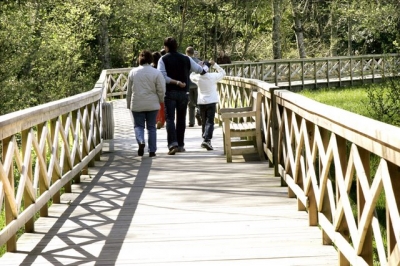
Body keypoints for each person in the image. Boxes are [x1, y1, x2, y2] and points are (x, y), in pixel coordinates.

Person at [157, 37, 204, 155]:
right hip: (184, 93)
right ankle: (181, 145)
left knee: (170, 119)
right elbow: (199, 70)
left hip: (170, 92)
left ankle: (173, 144)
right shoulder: (186, 58)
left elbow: (162, 76)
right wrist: (204, 66)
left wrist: (175, 82)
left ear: (166, 47)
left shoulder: (163, 59)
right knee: (181, 119)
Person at [126, 50, 166, 157]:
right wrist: (161, 100)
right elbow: (161, 89)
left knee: (138, 126)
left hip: (137, 103)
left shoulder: (133, 72)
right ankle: (152, 151)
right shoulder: (156, 72)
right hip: (152, 104)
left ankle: (141, 141)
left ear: (140, 59)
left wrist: (128, 103)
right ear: (150, 60)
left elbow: (129, 90)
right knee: (151, 127)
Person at [190, 59, 226, 150]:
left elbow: (191, 76)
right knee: (210, 121)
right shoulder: (213, 76)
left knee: (204, 121)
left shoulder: (198, 77)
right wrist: (215, 65)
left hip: (202, 102)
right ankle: (207, 140)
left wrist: (197, 67)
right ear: (208, 69)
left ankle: (205, 138)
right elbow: (223, 73)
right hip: (211, 101)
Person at [185, 46, 202, 127]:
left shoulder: (185, 61)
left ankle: (191, 122)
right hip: (197, 84)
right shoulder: (198, 62)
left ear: (186, 53)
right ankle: (199, 114)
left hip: (188, 85)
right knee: (198, 102)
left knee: (190, 104)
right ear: (193, 53)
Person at [152, 51, 165, 129]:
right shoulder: (162, 66)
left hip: (153, 87)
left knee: (154, 105)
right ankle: (162, 120)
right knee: (162, 104)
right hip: (161, 86)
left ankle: (156, 119)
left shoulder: (151, 67)